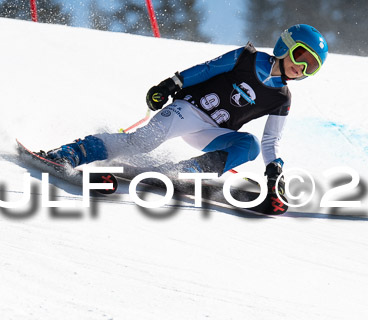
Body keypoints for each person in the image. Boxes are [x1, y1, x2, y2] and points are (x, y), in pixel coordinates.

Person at [43, 24, 328, 199]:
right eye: (300, 56)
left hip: (214, 132)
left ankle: (185, 172)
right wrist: (171, 84)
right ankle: (73, 152)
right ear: (286, 44)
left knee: (250, 144)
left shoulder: (281, 97)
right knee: (144, 141)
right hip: (189, 109)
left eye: (310, 66)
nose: (300, 68)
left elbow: (270, 141)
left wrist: (273, 168)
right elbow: (206, 69)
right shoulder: (246, 56)